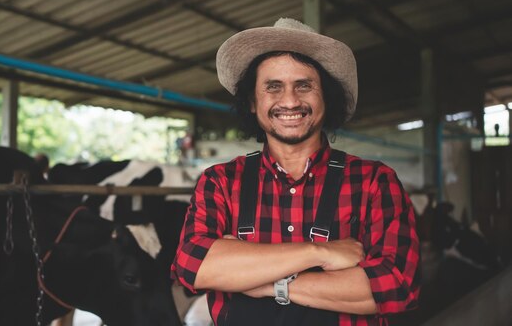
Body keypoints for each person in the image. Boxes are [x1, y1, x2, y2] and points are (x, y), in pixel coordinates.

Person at [171, 18, 420, 325]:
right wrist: (319, 253)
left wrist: (264, 282)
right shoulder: (220, 181)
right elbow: (193, 266)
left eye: (304, 85)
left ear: (325, 97)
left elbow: (395, 287)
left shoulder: (374, 181)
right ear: (252, 101)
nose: (289, 101)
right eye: (273, 87)